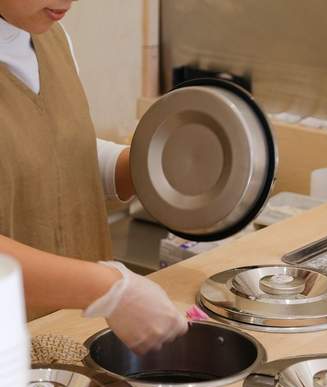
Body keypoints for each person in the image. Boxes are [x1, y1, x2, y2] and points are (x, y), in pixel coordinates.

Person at [0, 0, 188, 354]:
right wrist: (108, 288)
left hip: (67, 335)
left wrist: (147, 166)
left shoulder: (51, 38)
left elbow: (53, 150)